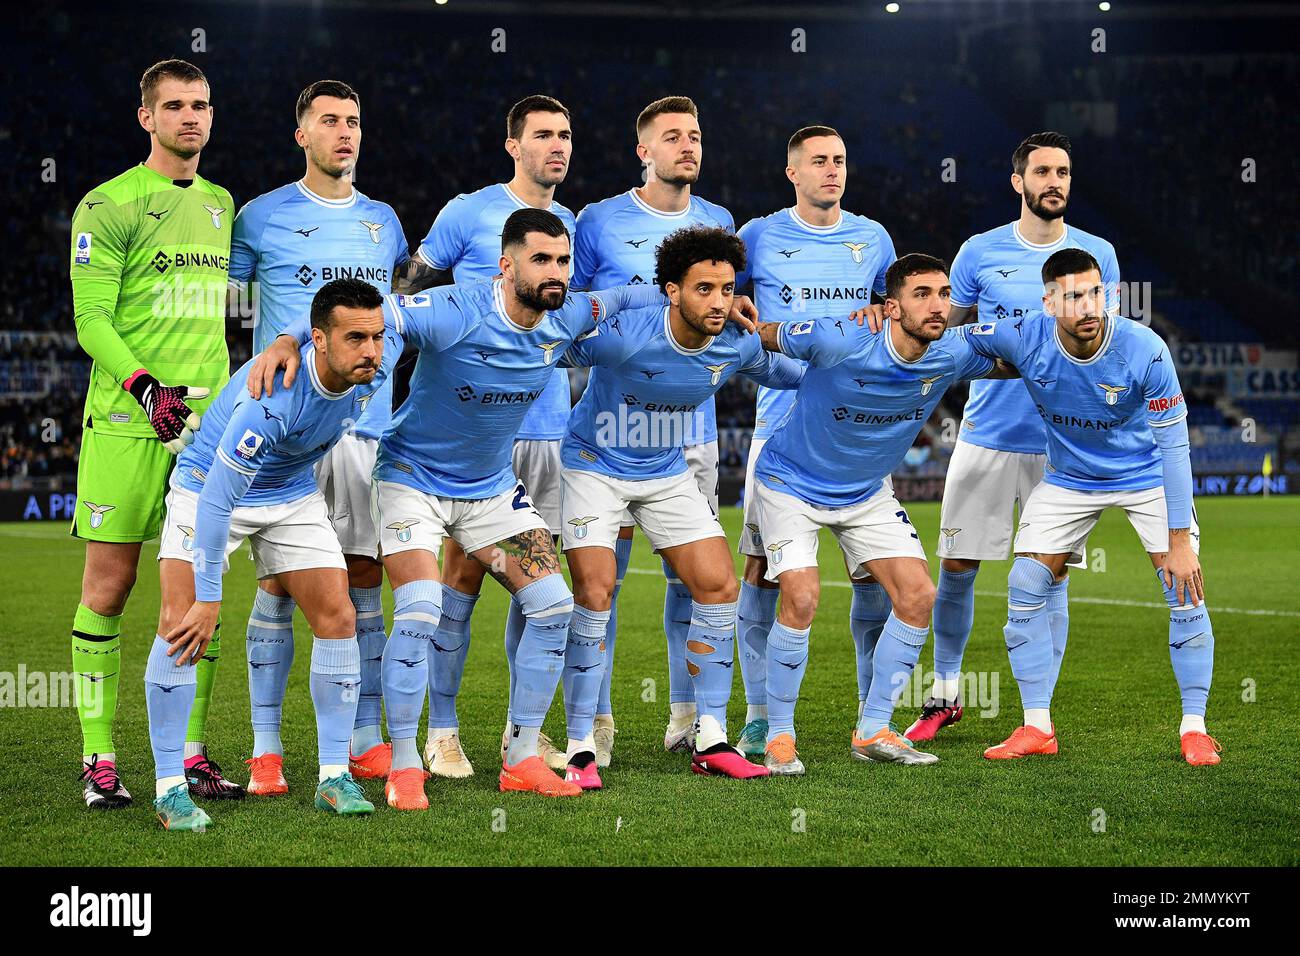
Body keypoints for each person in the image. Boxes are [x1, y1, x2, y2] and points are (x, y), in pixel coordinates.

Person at [254, 209, 698, 805]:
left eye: (563, 260)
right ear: (506, 264)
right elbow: (371, 313)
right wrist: (287, 338)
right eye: (541, 259)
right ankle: (406, 763)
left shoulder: (566, 314)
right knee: (420, 608)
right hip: (412, 480)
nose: (556, 272)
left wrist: (720, 305)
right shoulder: (456, 310)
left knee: (554, 606)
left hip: (490, 491)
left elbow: (626, 295)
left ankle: (520, 756)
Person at [557, 225, 803, 786]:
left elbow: (797, 375)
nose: (718, 302)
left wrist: (801, 338)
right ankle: (579, 747)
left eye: (726, 288)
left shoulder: (736, 341)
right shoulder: (624, 334)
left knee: (718, 585)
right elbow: (551, 338)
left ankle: (711, 736)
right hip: (594, 465)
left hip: (665, 471)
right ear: (671, 291)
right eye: (703, 290)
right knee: (595, 591)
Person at [751, 254, 1016, 771]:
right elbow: (761, 333)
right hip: (790, 483)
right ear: (890, 306)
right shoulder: (841, 337)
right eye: (923, 295)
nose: (938, 305)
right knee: (802, 597)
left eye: (944, 294)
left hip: (865, 492)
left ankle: (873, 729)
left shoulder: (953, 353)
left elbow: (1022, 353)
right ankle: (779, 735)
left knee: (919, 596)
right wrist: (736, 311)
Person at [148, 278, 395, 831]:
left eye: (376, 338)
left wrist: (283, 335)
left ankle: (333, 777)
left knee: (338, 615)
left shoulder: (372, 355)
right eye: (356, 339)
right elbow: (216, 497)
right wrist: (210, 598)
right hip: (208, 487)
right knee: (180, 622)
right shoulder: (274, 399)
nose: (371, 351)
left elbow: (400, 313)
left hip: (289, 492)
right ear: (321, 341)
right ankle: (169, 788)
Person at [958, 248, 1218, 766]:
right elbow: (949, 339)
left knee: (1182, 586)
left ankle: (1194, 727)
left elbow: (1175, 447)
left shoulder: (1145, 349)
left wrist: (1179, 540)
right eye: (1074, 296)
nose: (1088, 306)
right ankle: (1037, 727)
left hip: (1145, 475)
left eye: (1095, 293)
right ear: (1049, 302)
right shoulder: (1024, 333)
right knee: (1025, 584)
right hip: (1071, 479)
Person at [906, 132, 1120, 743]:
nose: (1055, 182)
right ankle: (945, 692)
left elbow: (1107, 343)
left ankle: (1037, 716)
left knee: (1050, 574)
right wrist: (1020, 361)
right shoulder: (978, 252)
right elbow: (955, 340)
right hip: (989, 433)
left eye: (1064, 172)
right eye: (1043, 171)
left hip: (1064, 445)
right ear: (1018, 181)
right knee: (957, 564)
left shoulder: (1097, 252)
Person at [228, 79, 409, 794]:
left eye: (354, 121)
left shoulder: (384, 222)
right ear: (301, 133)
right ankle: (266, 751)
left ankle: (366, 737)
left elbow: (385, 318)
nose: (345, 132)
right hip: (290, 427)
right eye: (329, 121)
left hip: (366, 426)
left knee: (364, 575)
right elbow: (233, 317)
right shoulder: (258, 217)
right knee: (278, 583)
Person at [68, 58, 238, 809]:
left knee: (200, 589)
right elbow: (90, 320)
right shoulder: (106, 205)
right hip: (126, 423)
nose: (190, 117)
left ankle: (191, 752)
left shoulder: (220, 203)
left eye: (200, 105)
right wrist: (146, 392)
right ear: (148, 117)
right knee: (111, 586)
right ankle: (98, 757)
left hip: (202, 433)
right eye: (174, 106)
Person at [394, 95, 575, 777]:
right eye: (542, 135)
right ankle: (442, 731)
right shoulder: (466, 212)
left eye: (565, 135)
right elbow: (414, 286)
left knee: (539, 585)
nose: (556, 147)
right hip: (468, 435)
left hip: (548, 423)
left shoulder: (570, 224)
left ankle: (519, 736)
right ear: (513, 145)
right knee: (461, 579)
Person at [571, 95, 735, 762]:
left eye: (694, 135)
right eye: (672, 137)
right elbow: (576, 312)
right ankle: (598, 723)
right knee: (602, 581)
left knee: (691, 582)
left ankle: (688, 715)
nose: (687, 147)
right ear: (645, 151)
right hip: (613, 427)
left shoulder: (719, 220)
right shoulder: (600, 220)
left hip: (691, 432)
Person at [732, 125, 895, 756]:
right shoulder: (758, 236)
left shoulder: (873, 238)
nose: (832, 170)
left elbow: (890, 320)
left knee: (872, 577)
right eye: (819, 161)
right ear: (792, 172)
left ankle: (870, 712)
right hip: (781, 424)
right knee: (763, 574)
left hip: (858, 424)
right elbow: (738, 317)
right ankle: (756, 714)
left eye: (840, 161)